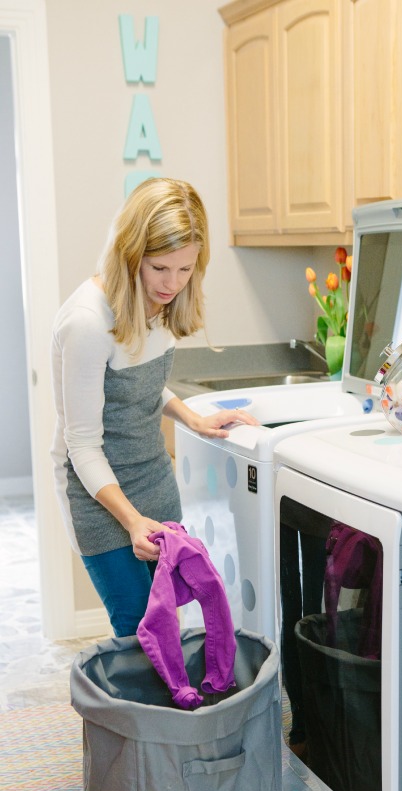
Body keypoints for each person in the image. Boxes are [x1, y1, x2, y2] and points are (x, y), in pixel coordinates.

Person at [51, 177, 258, 637]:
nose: (173, 284)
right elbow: (81, 444)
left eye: (186, 270)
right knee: (136, 628)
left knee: (165, 619)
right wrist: (131, 522)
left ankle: (168, 709)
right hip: (98, 496)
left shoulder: (161, 305)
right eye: (160, 267)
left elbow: (137, 389)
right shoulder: (88, 323)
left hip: (153, 481)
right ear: (130, 253)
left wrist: (193, 418)